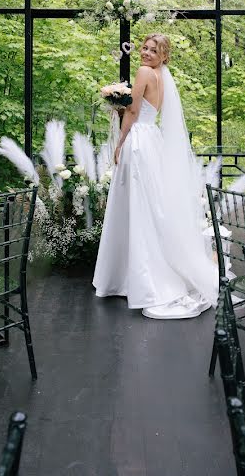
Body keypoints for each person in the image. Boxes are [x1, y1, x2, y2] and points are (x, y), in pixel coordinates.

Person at [93, 34, 218, 319]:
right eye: (145, 48)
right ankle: (133, 275)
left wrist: (119, 143)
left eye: (153, 50)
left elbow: (134, 111)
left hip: (138, 141)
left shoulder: (144, 72)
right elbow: (144, 108)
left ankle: (138, 279)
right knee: (149, 205)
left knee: (138, 205)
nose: (146, 53)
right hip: (153, 139)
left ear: (163, 56)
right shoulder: (162, 76)